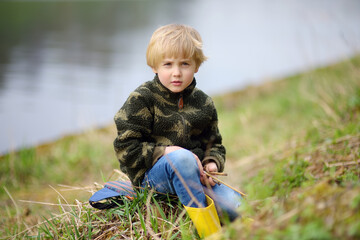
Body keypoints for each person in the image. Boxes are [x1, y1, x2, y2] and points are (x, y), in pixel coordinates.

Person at [113, 23, 242, 238]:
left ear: (196, 66)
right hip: (153, 179)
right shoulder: (142, 99)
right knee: (181, 159)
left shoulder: (203, 103)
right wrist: (166, 151)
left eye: (184, 64)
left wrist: (211, 162)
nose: (176, 73)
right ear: (154, 66)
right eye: (168, 64)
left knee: (240, 208)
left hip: (197, 178)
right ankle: (210, 232)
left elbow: (215, 144)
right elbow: (126, 148)